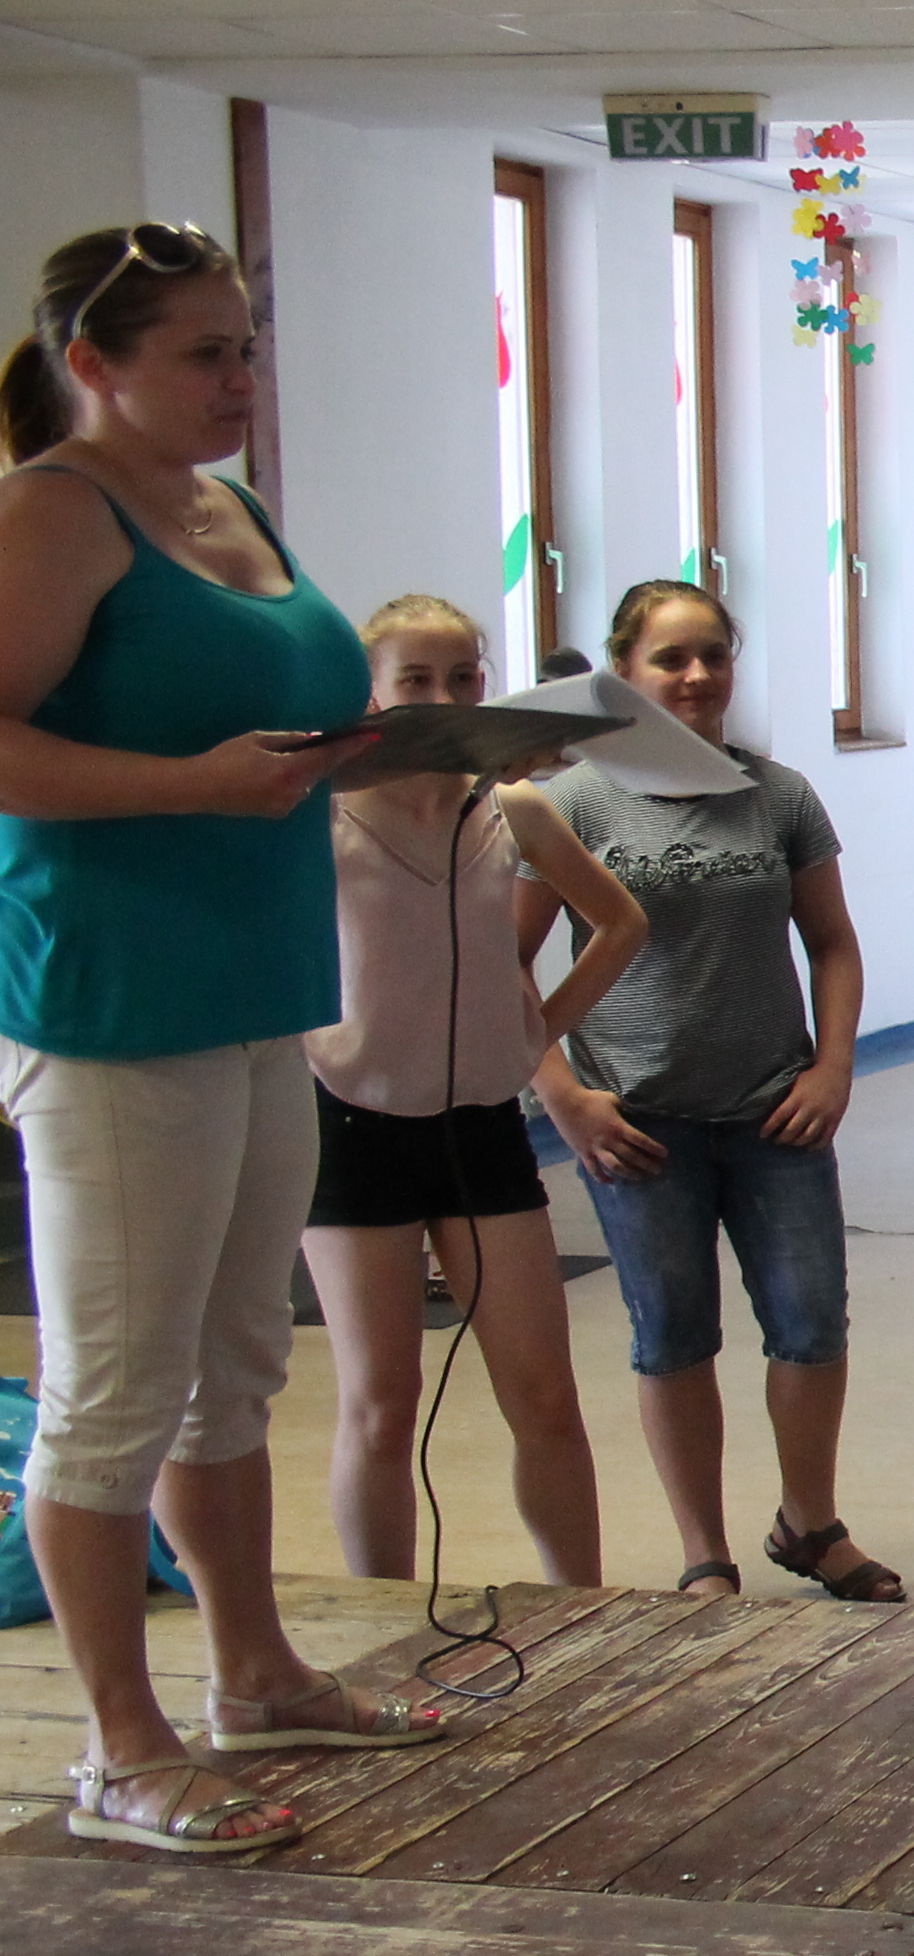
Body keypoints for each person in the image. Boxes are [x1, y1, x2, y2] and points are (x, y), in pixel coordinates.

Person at [0, 220, 437, 1855]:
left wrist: (390, 747)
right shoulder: (55, 512)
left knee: (236, 1363)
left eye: (246, 345)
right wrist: (190, 785)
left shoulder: (230, 508)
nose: (240, 377)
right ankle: (121, 1749)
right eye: (202, 352)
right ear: (93, 363)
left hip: (259, 988)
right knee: (116, 1384)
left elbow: (262, 726)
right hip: (116, 1005)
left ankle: (254, 1674)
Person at [531, 579, 895, 1602]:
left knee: (811, 1324)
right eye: (670, 659)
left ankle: (810, 1524)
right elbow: (503, 969)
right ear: (624, 673)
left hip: (776, 1111)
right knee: (673, 1334)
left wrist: (833, 1066)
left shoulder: (777, 796)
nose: (696, 676)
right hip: (636, 1123)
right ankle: (705, 1553)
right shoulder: (574, 802)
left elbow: (833, 943)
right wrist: (562, 1097)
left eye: (714, 656)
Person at [299, 594, 643, 1585]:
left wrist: (538, 1028)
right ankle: (384, 1614)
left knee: (543, 1397)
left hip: (481, 1128)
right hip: (352, 1127)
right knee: (382, 1403)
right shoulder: (322, 816)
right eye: (416, 679)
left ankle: (580, 1606)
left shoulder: (511, 807)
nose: (444, 699)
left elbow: (621, 923)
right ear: (373, 692)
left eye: (462, 678)